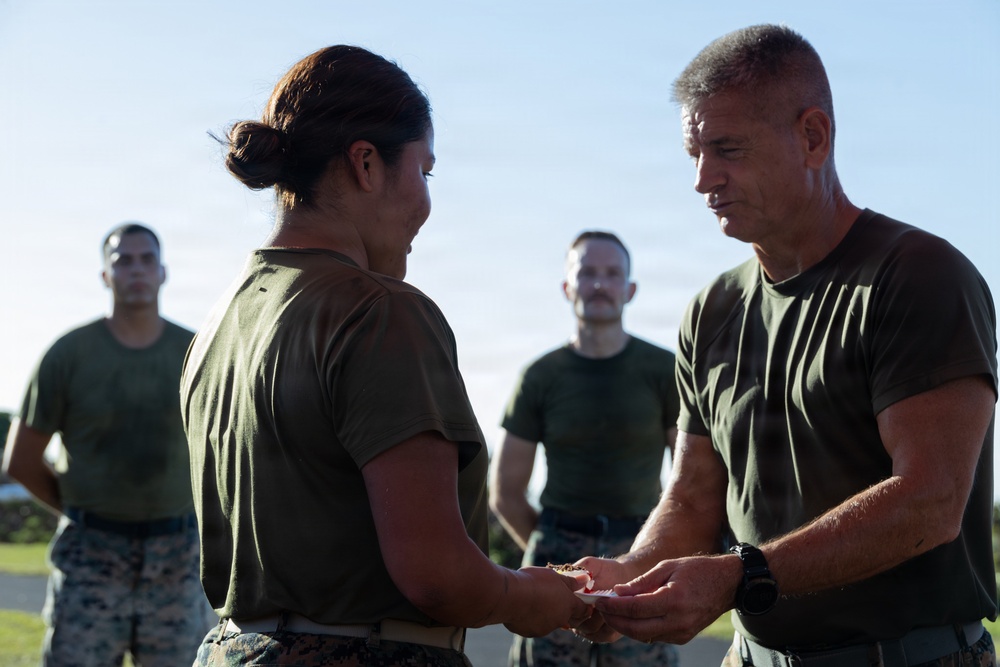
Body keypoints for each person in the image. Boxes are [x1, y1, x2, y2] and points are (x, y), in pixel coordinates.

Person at [573, 24, 998, 667]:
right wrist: (632, 578)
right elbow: (692, 497)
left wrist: (739, 577)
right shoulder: (711, 310)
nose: (702, 179)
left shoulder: (919, 276)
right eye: (694, 153)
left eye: (727, 150)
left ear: (812, 137)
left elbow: (931, 500)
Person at [180, 45, 590, 667]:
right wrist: (544, 595)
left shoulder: (220, 321)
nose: (426, 203)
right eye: (424, 171)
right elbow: (437, 577)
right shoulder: (379, 311)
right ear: (366, 164)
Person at [2, 223, 212, 666]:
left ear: (163, 272)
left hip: (177, 559)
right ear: (105, 276)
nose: (136, 269)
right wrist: (83, 509)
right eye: (122, 260)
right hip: (91, 557)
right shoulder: (69, 355)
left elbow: (225, 453)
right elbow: (20, 460)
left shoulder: (197, 352)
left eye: (146, 259)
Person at [489, 230, 680, 667]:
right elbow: (506, 493)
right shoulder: (539, 376)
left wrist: (650, 553)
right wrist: (553, 550)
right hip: (558, 554)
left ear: (629, 290)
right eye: (587, 273)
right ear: (567, 287)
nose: (599, 284)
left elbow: (691, 478)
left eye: (612, 274)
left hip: (638, 555)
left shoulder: (664, 370)